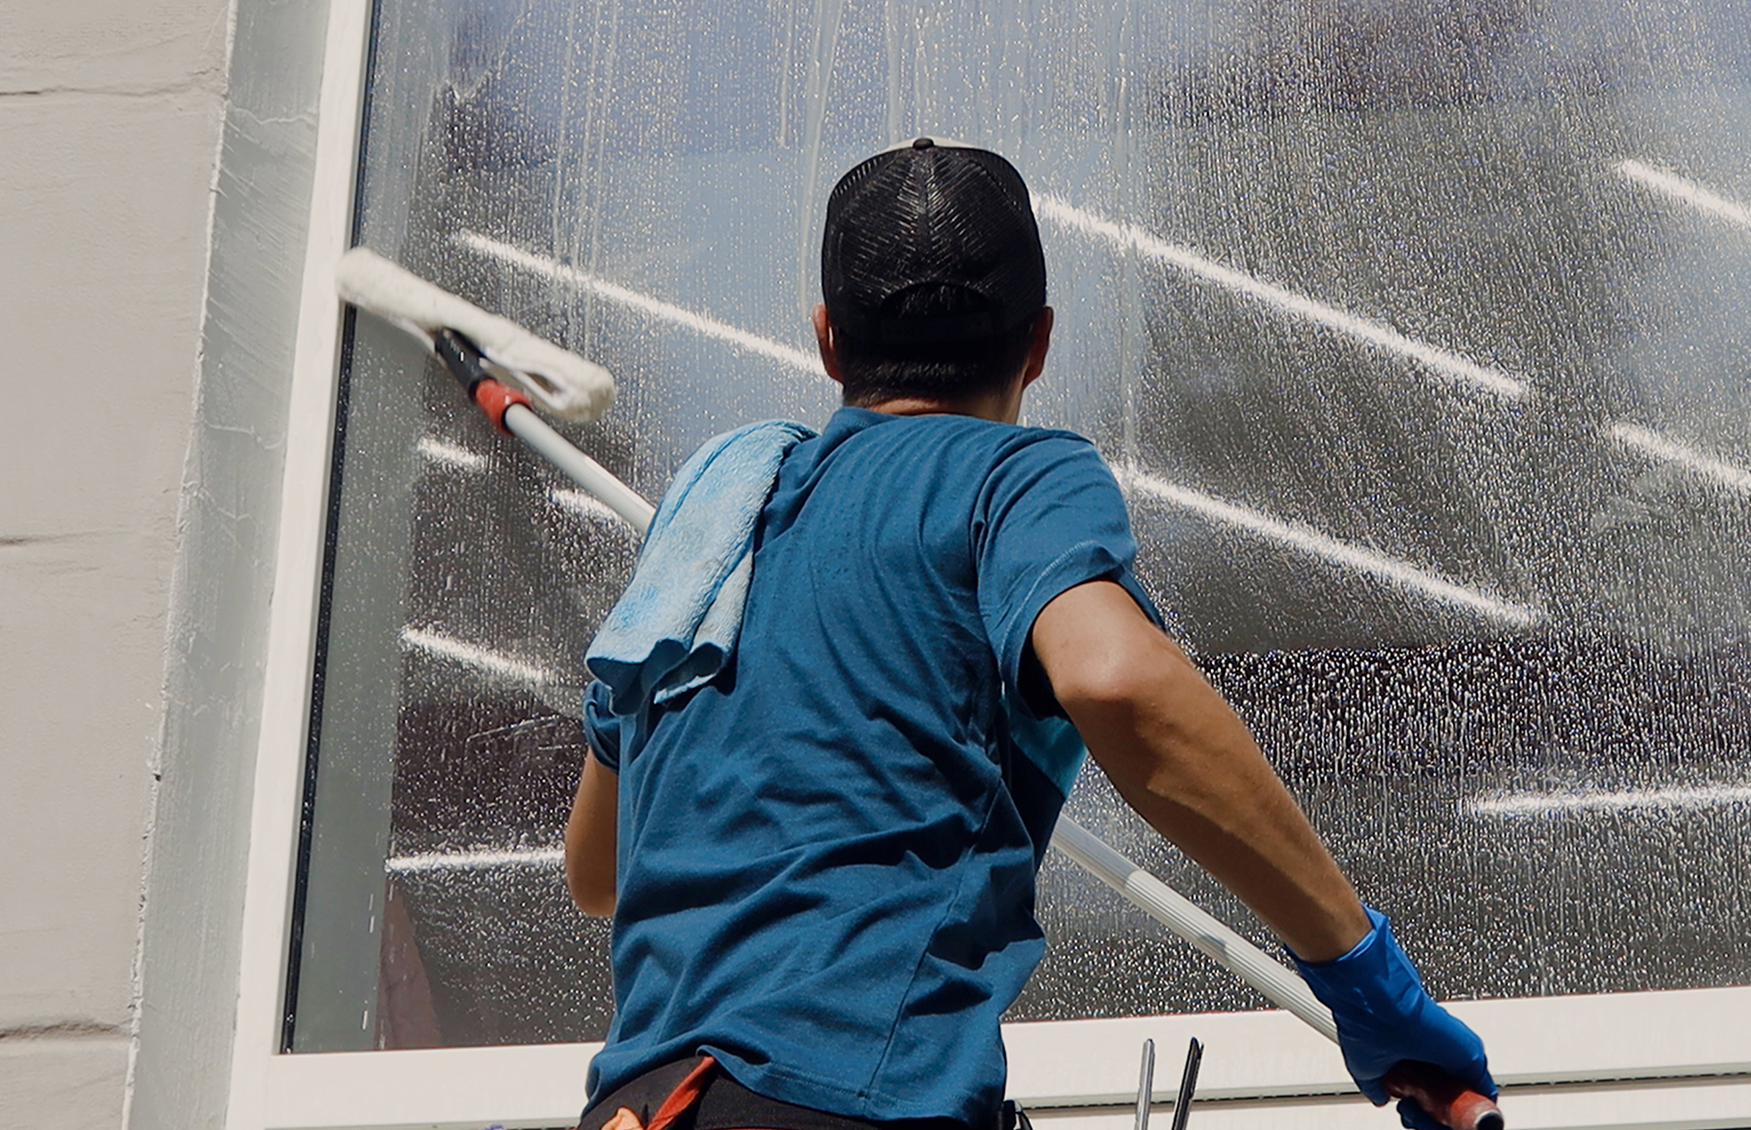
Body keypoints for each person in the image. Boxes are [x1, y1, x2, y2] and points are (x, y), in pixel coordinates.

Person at [563, 138, 1494, 1130]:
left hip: (645, 1105)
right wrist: (1361, 973)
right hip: (850, 1105)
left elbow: (596, 869)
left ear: (828, 341)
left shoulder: (715, 525)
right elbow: (1116, 680)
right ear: (1039, 341)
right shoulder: (1013, 480)